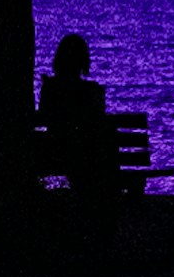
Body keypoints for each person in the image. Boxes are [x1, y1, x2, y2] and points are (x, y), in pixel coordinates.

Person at [38, 27, 124, 212]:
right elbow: (99, 121)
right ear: (83, 61)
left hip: (55, 152)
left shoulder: (50, 88)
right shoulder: (91, 90)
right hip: (86, 154)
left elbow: (44, 116)